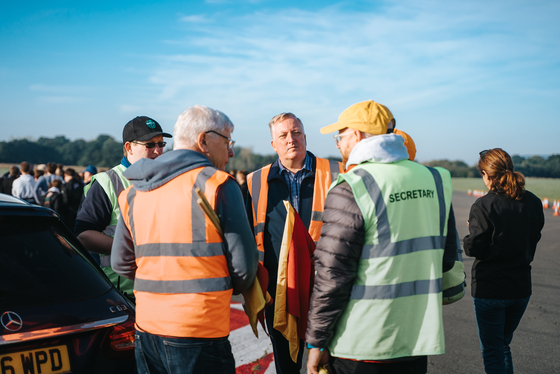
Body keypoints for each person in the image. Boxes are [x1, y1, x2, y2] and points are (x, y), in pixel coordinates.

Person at [305, 100, 459, 374]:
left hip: (362, 343)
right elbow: (447, 259)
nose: (338, 144)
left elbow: (332, 276)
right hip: (416, 340)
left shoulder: (353, 185)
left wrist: (316, 342)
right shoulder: (436, 180)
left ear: (356, 135)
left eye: (340, 136)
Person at [111, 104, 258, 374]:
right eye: (227, 140)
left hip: (147, 328)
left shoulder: (133, 192)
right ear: (203, 140)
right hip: (199, 330)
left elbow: (120, 263)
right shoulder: (217, 185)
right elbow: (244, 271)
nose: (231, 151)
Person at [246, 112, 343, 374]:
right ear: (273, 144)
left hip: (326, 284)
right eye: (283, 135)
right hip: (280, 290)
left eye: (296, 132)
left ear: (305, 137)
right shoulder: (255, 181)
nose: (291, 139)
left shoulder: (336, 172)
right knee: (286, 367)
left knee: (329, 366)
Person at [463, 148, 544, 374]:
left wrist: (470, 233)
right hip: (520, 289)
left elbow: (473, 248)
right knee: (502, 345)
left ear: (487, 175)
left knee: (492, 351)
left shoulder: (483, 206)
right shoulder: (534, 202)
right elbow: (534, 236)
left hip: (491, 290)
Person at [75, 116, 171, 302]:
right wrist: (135, 250)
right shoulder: (108, 182)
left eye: (161, 144)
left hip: (162, 289)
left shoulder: (165, 181)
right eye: (150, 145)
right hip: (123, 296)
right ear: (129, 147)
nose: (158, 151)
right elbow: (84, 236)